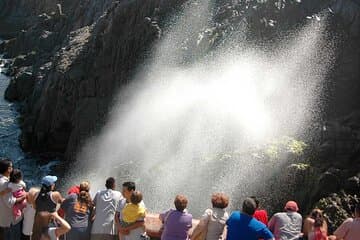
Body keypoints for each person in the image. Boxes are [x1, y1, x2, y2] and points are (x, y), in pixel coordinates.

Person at [0, 158, 26, 240]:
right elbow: (11, 202)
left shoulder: (5, 181)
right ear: (8, 169)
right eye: (11, 167)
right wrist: (24, 196)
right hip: (10, 219)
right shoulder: (4, 184)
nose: (12, 168)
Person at [32, 175, 64, 240]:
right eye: (54, 183)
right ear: (51, 185)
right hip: (50, 225)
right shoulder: (55, 194)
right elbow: (62, 202)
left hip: (38, 226)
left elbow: (35, 207)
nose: (54, 184)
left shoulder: (36, 194)